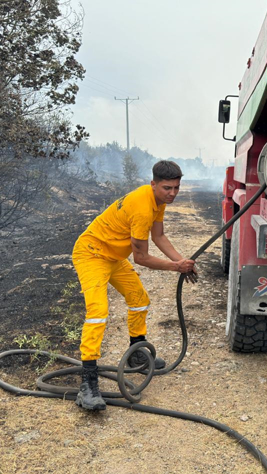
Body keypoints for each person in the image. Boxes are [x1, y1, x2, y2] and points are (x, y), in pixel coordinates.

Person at [71, 160, 197, 411]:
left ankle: (136, 352)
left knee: (139, 299)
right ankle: (88, 383)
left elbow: (158, 236)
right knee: (98, 312)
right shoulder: (141, 208)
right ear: (153, 184)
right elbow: (141, 258)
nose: (172, 193)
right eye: (167, 188)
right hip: (92, 253)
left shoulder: (157, 201)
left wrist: (182, 261)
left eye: (176, 188)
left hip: (113, 257)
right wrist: (176, 267)